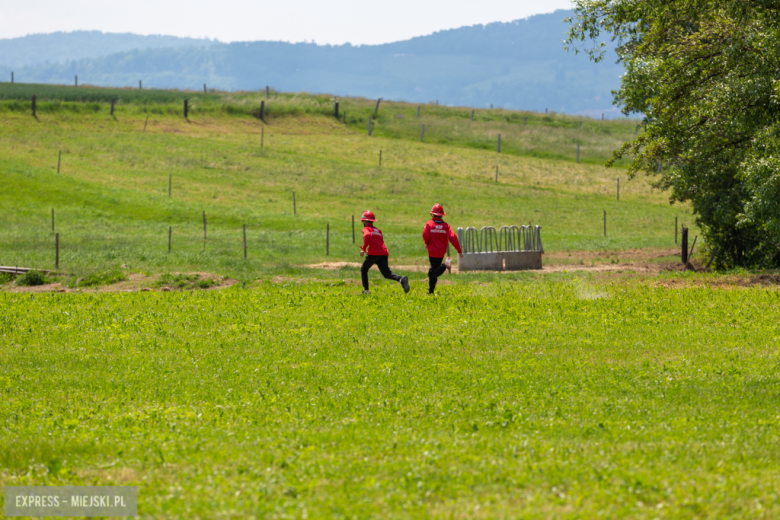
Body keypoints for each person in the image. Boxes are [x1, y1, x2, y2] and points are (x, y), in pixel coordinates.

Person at [359, 210, 410, 295]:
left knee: (364, 269)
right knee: (387, 273)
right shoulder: (378, 230)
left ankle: (366, 291)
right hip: (383, 253)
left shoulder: (366, 229)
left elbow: (367, 236)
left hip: (373, 254)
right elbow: (379, 242)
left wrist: (363, 249)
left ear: (365, 220)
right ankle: (401, 280)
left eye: (363, 220)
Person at [422, 203, 462, 295]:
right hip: (441, 252)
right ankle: (431, 292)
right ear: (441, 215)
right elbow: (453, 237)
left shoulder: (429, 224)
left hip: (432, 251)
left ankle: (445, 265)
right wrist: (458, 250)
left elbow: (425, 235)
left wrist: (426, 243)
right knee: (432, 271)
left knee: (433, 273)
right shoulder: (445, 226)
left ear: (433, 214)